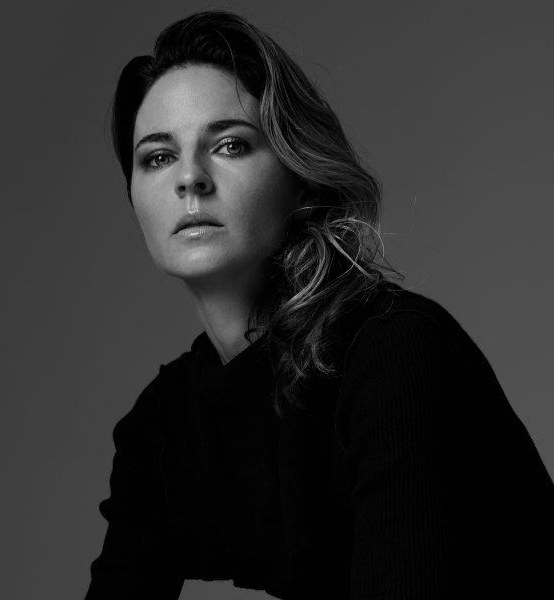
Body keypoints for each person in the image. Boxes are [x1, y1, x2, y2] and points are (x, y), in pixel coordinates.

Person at [84, 9, 554, 600]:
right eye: (157, 157)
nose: (189, 179)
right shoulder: (164, 425)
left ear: (300, 175)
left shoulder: (395, 354)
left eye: (230, 145)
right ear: (134, 199)